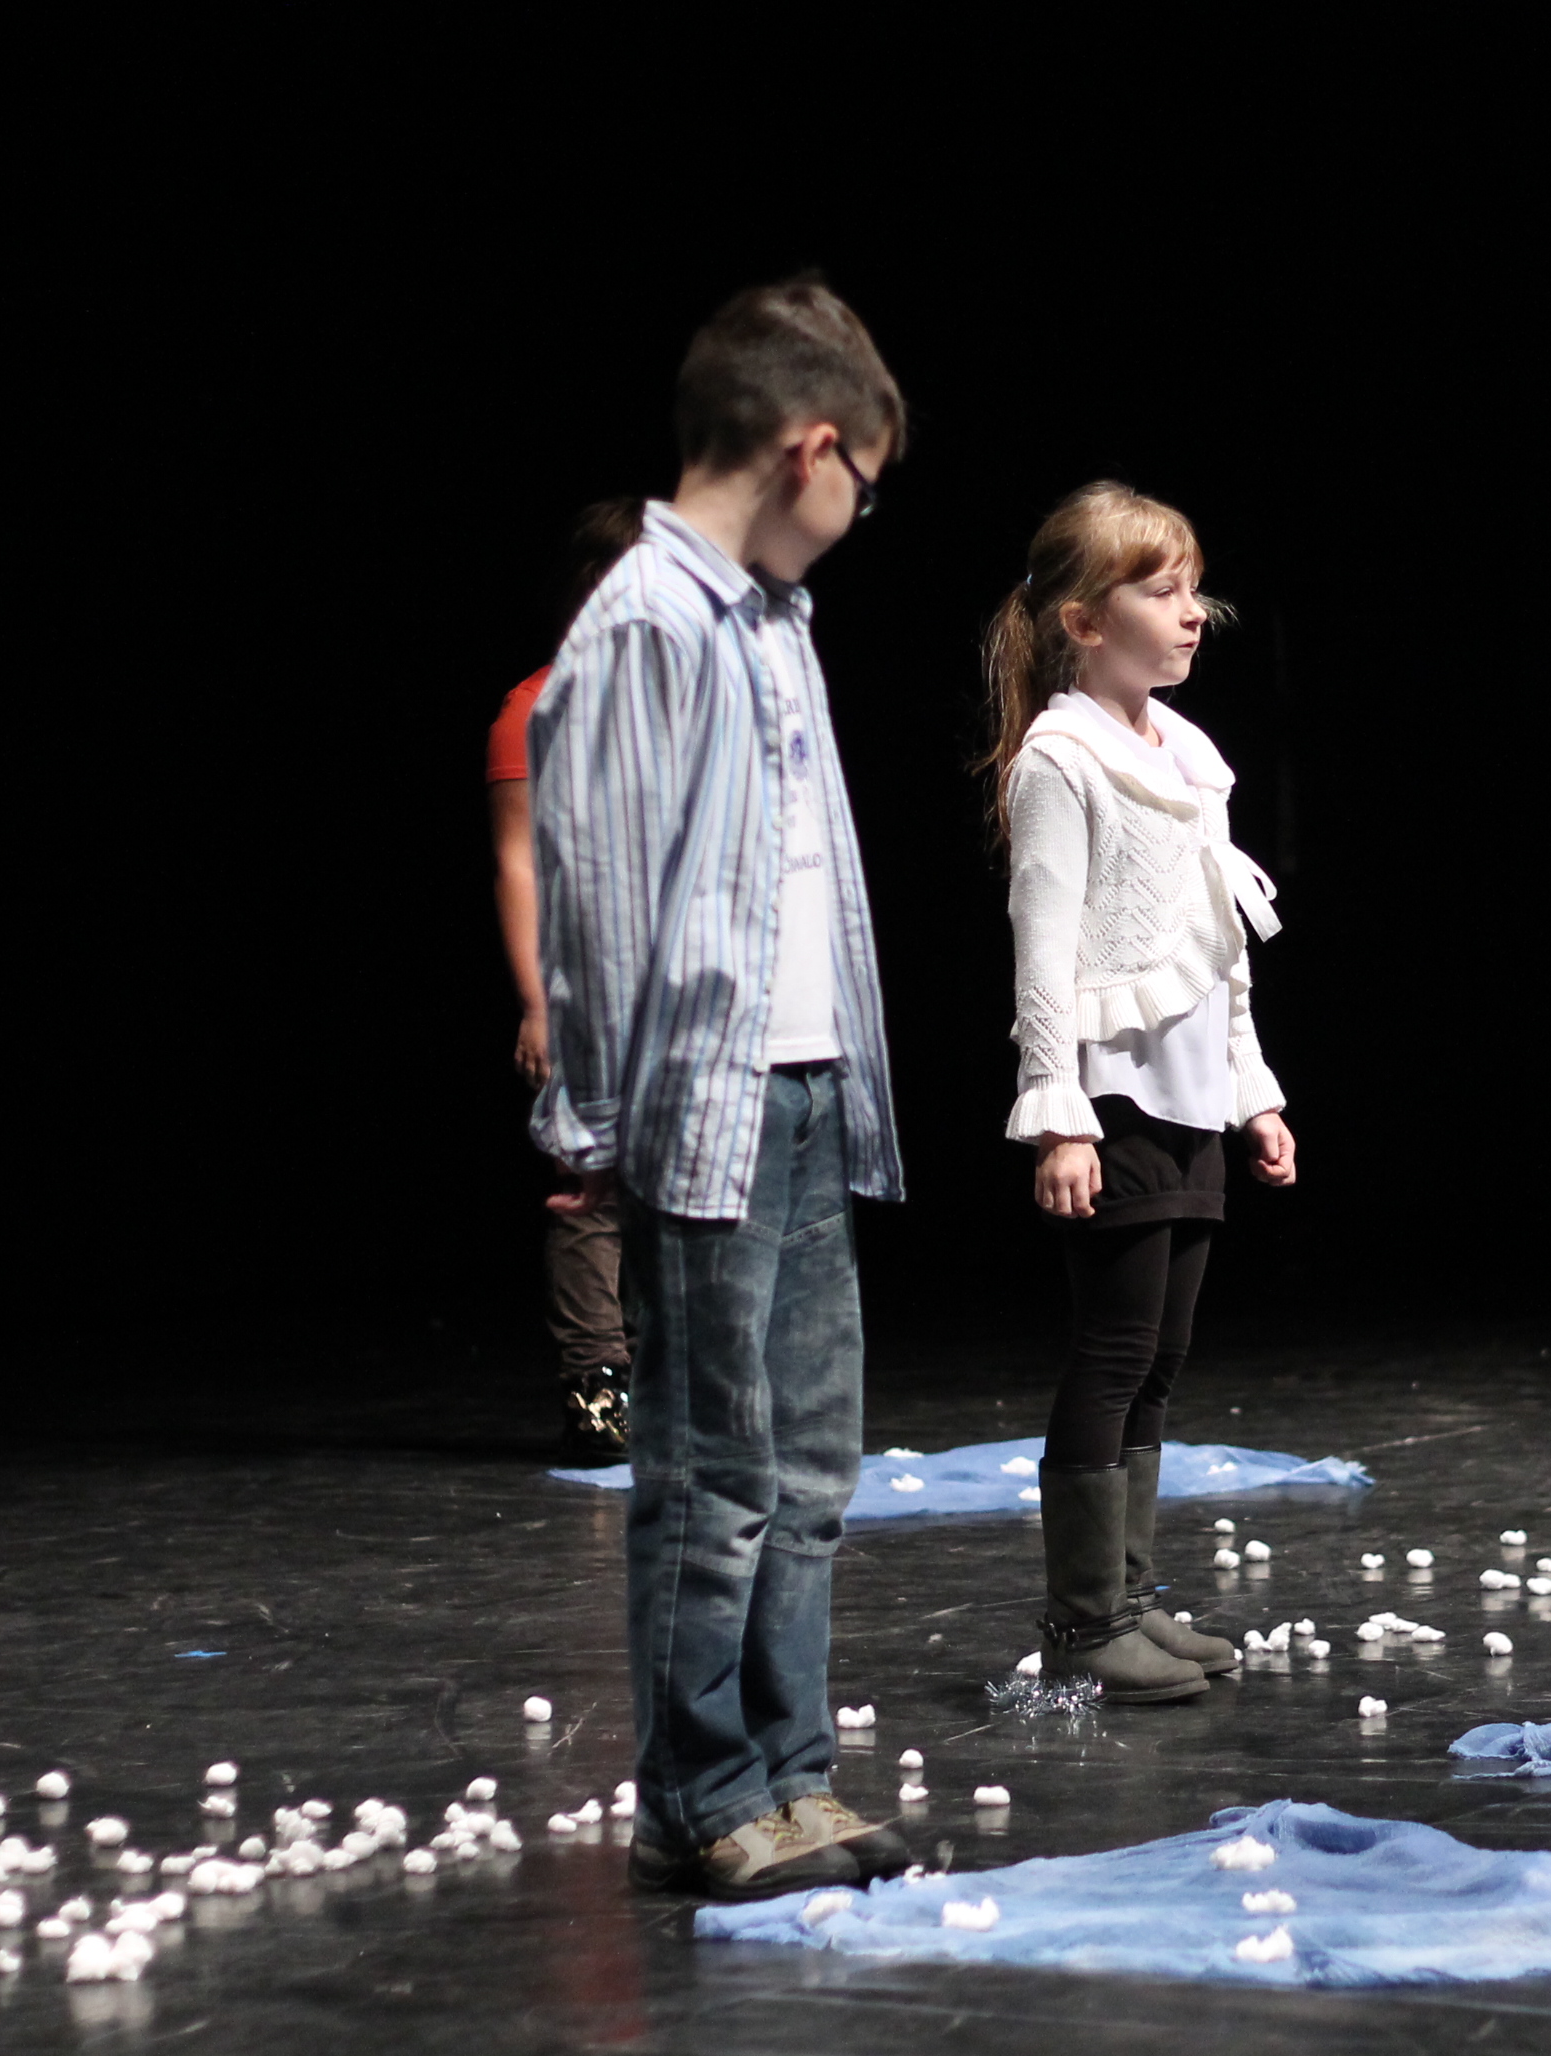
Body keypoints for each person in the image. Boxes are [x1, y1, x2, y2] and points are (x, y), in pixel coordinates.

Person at [528, 278, 911, 1899]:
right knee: (715, 1475)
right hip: (707, 1111)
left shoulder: (772, 620)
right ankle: (699, 1791)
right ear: (811, 450)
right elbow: (600, 891)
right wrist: (592, 1121)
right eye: (864, 485)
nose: (857, 518)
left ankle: (792, 1770)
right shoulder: (646, 620)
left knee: (811, 1467)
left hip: (808, 1087)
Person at [980, 484, 1298, 1705]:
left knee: (1161, 1356)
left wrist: (1253, 1091)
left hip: (1191, 1091)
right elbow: (1043, 947)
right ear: (1083, 619)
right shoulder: (1062, 761)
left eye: (1192, 589)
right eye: (1160, 591)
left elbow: (1221, 944)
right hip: (1112, 1093)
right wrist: (1058, 1110)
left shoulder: (1189, 755)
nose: (1191, 612)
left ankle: (1126, 1595)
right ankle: (1081, 1622)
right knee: (1113, 1351)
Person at [488, 500, 645, 1459]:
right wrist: (537, 1001)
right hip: (591, 988)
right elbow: (518, 864)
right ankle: (597, 1391)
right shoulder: (535, 708)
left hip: (687, 988)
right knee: (595, 1188)